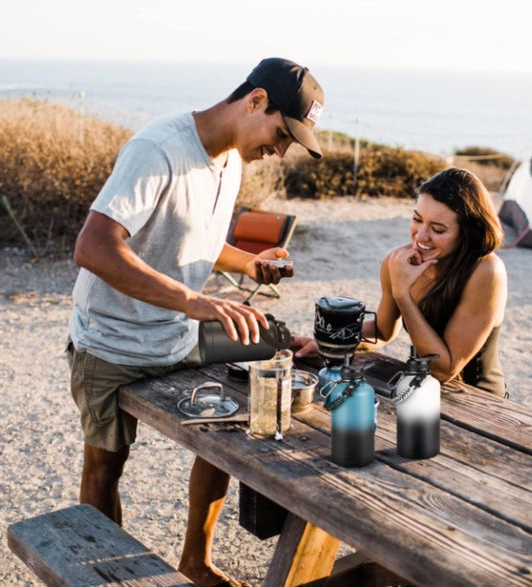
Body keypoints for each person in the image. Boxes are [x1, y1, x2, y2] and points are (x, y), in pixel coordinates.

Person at [66, 57, 325, 587]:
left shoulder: (231, 160)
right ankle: (99, 578)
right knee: (105, 468)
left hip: (178, 333)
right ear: (255, 101)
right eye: (281, 134)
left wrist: (249, 263)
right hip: (113, 343)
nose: (279, 151)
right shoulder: (157, 149)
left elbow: (195, 240)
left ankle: (195, 562)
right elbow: (92, 248)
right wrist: (194, 301)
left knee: (265, 374)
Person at [295, 167, 508, 396]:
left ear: (467, 232)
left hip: (480, 402)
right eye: (417, 219)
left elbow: (444, 370)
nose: (421, 236)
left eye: (438, 229)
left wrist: (403, 295)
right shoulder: (397, 261)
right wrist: (333, 343)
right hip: (421, 390)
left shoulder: (486, 271)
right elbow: (383, 331)